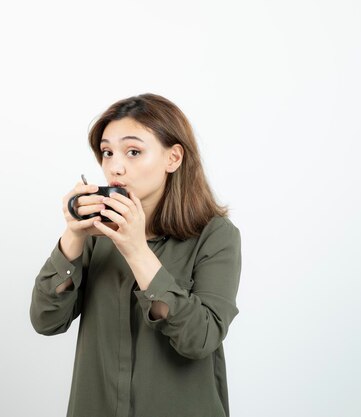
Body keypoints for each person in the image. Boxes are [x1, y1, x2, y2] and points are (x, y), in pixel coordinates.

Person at [29, 93, 242, 417]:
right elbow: (46, 321)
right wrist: (72, 235)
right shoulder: (95, 234)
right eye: (107, 152)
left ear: (173, 158)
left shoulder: (215, 236)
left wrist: (136, 250)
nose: (115, 166)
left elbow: (200, 338)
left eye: (133, 151)